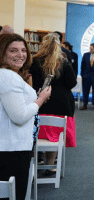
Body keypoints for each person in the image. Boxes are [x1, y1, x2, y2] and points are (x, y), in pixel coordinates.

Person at [0, 33, 51, 200]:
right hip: (12, 150)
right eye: (13, 50)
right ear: (2, 53)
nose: (20, 55)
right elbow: (19, 117)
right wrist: (40, 100)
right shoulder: (8, 77)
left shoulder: (8, 75)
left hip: (10, 146)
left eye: (23, 50)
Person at [30, 33, 77, 173]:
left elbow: (33, 84)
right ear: (58, 46)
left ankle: (37, 158)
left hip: (41, 102)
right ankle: (51, 165)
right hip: (62, 106)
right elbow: (72, 83)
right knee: (55, 137)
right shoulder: (63, 62)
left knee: (38, 133)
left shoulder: (35, 61)